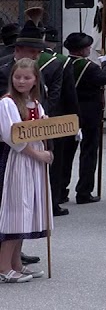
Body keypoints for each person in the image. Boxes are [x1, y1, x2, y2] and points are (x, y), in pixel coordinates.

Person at [0, 59, 52, 284]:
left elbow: (40, 131)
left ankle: (16, 264)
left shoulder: (36, 104)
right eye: (17, 77)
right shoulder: (7, 103)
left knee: (26, 211)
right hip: (15, 161)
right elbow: (12, 137)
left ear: (35, 80)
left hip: (31, 164)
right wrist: (38, 154)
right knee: (15, 211)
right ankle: (3, 267)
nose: (21, 81)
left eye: (26, 77)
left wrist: (46, 128)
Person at [64, 32, 106, 205]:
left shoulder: (63, 63)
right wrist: (105, 62)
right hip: (89, 115)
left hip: (69, 113)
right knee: (89, 153)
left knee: (66, 153)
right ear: (81, 50)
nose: (89, 49)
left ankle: (61, 190)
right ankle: (84, 192)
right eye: (87, 47)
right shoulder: (89, 67)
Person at [36, 35, 77, 216]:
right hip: (53, 119)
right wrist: (76, 119)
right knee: (54, 162)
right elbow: (65, 94)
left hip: (43, 116)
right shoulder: (58, 62)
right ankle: (53, 201)